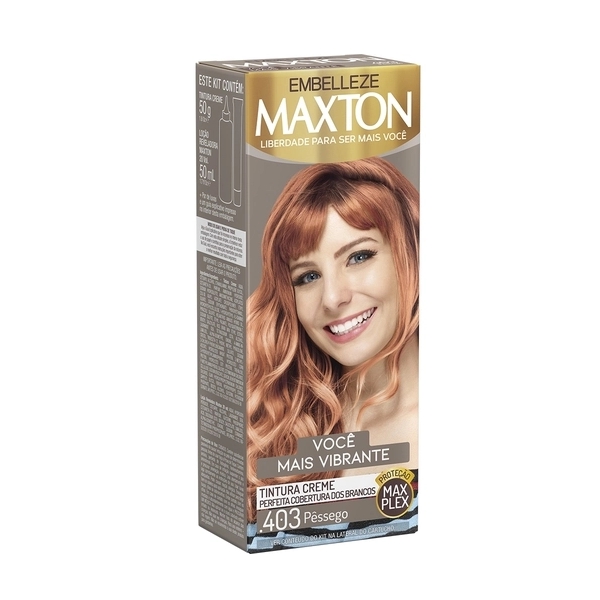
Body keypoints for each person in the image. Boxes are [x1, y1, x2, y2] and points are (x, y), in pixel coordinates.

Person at [246, 157, 419, 521]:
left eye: (359, 256)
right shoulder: (275, 424)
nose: (332, 298)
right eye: (308, 277)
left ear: (412, 255)